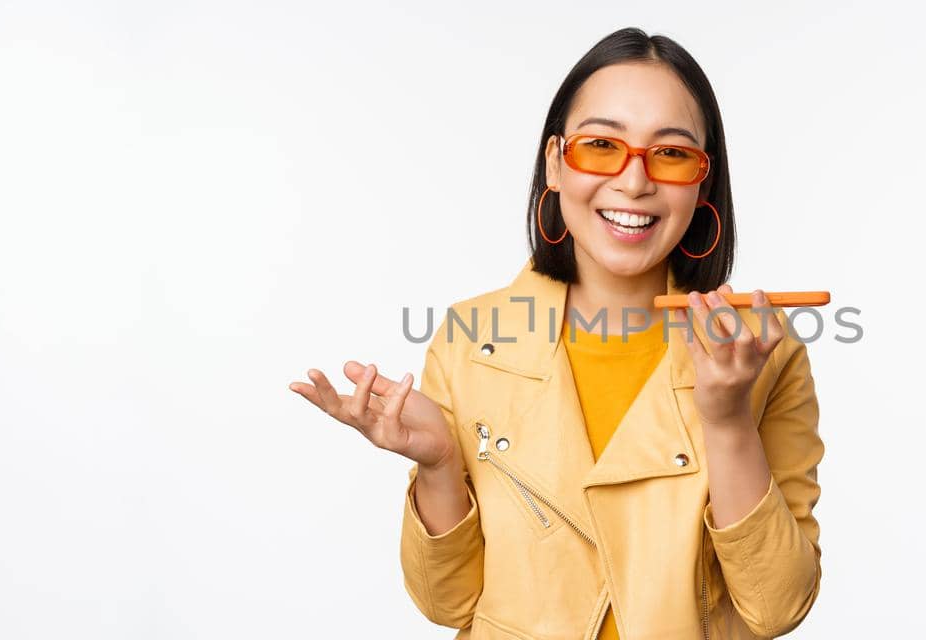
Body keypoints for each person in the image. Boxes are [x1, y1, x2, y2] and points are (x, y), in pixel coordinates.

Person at [290, 27, 825, 639]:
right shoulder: (472, 338)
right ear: (555, 163)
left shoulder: (761, 348)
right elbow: (449, 605)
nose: (633, 181)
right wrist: (440, 466)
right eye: (601, 145)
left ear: (703, 180)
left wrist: (727, 421)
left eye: (671, 154)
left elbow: (776, 605)